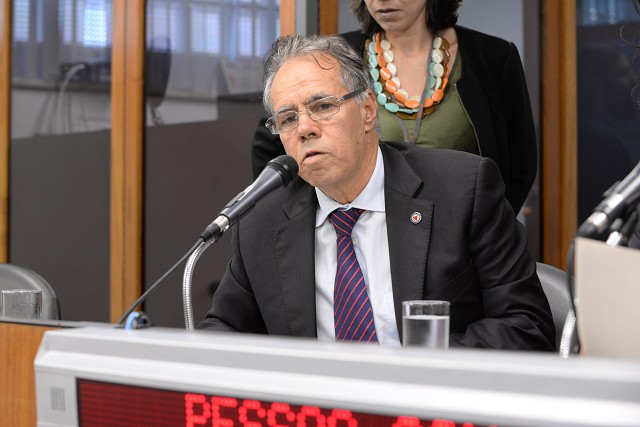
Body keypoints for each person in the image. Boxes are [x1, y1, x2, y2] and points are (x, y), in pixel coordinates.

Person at [199, 34, 555, 351]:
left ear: (368, 111)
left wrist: (411, 369)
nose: (305, 128)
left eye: (322, 106)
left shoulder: (463, 189)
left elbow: (526, 326)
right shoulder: (261, 221)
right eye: (288, 118)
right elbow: (222, 333)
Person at [252, 0, 538, 214]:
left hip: (466, 238)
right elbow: (274, 138)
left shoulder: (494, 57)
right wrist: (307, 222)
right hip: (361, 235)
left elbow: (520, 166)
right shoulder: (336, 57)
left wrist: (486, 229)